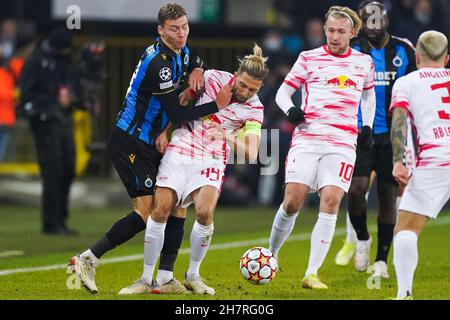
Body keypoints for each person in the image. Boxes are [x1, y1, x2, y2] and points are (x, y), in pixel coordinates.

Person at [67, 2, 230, 294]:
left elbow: (196, 58)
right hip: (130, 140)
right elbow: (177, 114)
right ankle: (87, 259)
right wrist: (215, 106)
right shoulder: (159, 65)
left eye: (184, 27)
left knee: (177, 204)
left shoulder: (183, 50)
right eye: (173, 29)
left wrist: (198, 67)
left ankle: (165, 279)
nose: (181, 34)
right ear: (160, 30)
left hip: (152, 140)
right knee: (147, 211)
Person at [119, 44, 267, 295]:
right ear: (236, 74)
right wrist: (165, 130)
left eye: (253, 89)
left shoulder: (255, 109)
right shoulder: (212, 79)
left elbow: (252, 152)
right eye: (243, 85)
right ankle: (145, 279)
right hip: (182, 145)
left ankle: (193, 275)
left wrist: (226, 136)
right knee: (161, 209)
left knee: (205, 213)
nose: (245, 92)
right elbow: (179, 105)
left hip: (211, 156)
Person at [268, 5, 376, 289]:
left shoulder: (364, 62)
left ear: (352, 32)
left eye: (341, 31)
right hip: (308, 138)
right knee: (292, 201)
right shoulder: (308, 58)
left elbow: (368, 97)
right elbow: (283, 92)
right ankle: (271, 257)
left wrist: (366, 127)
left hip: (342, 142)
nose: (335, 36)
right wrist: (290, 110)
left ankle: (311, 273)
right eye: (330, 30)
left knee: (330, 201)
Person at [334, 1, 416, 279]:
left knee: (387, 198)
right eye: (365, 19)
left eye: (375, 19)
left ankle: (381, 260)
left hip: (393, 136)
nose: (370, 25)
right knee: (355, 191)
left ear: (386, 21)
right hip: (360, 133)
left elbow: (416, 89)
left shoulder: (404, 50)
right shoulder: (353, 49)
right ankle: (362, 238)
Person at [390, 30, 449, 300]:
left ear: (416, 57)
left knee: (406, 230)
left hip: (436, 159)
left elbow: (399, 121)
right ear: (446, 58)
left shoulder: (407, 82)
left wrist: (399, 161)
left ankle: (404, 294)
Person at [19, 28, 78, 235]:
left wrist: (76, 100)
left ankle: (61, 220)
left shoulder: (64, 61)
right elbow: (25, 96)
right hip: (45, 123)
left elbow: (72, 86)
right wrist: (54, 99)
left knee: (68, 170)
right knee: (52, 172)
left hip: (63, 121)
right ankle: (50, 223)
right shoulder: (36, 61)